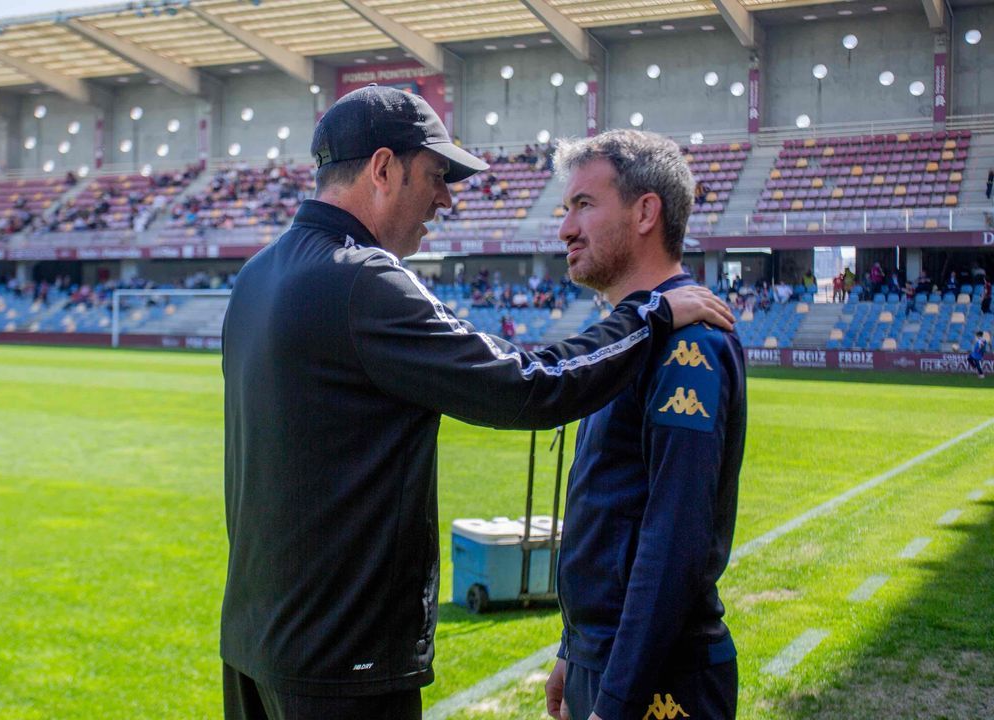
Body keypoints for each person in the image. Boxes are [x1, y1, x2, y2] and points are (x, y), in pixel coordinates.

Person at [219, 87, 734, 720]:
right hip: (339, 664)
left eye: (581, 205)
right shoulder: (362, 278)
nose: (447, 198)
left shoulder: (257, 276)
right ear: (383, 169)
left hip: (254, 646)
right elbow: (526, 386)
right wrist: (647, 316)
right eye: (436, 176)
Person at [542, 130, 746, 720]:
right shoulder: (631, 338)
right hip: (604, 659)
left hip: (659, 681)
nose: (565, 229)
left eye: (583, 204)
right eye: (565, 209)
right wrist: (573, 648)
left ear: (645, 212)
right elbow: (610, 506)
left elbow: (673, 541)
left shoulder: (691, 344)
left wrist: (616, 700)